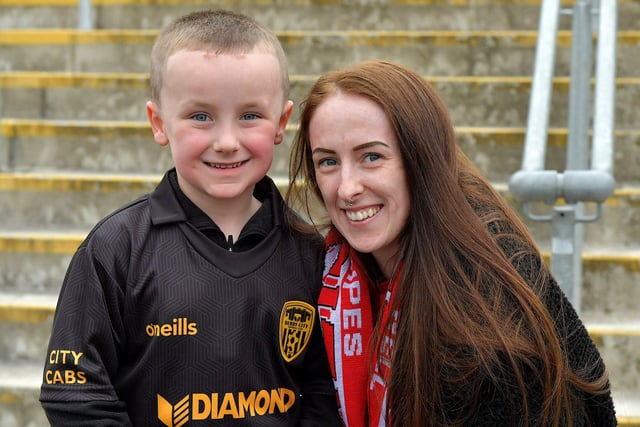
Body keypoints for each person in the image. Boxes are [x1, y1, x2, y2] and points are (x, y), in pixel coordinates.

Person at [39, 9, 341, 426]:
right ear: (159, 123)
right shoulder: (116, 249)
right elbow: (75, 395)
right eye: (201, 116)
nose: (227, 142)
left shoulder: (312, 254)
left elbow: (325, 394)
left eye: (250, 115)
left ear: (281, 123)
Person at [286, 60, 616, 426]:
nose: (347, 188)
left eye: (372, 157)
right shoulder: (328, 273)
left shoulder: (485, 301)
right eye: (328, 161)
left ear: (421, 159)